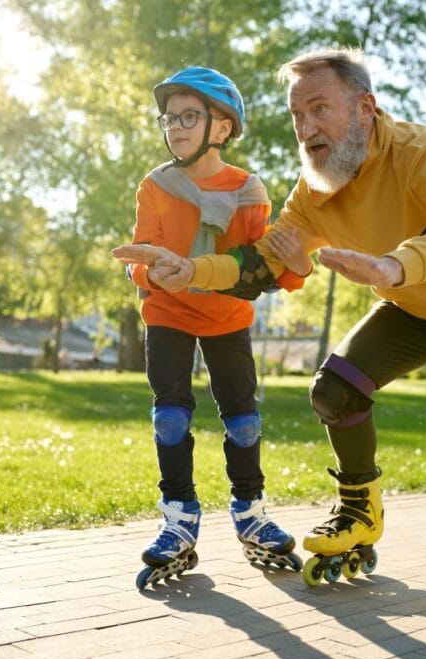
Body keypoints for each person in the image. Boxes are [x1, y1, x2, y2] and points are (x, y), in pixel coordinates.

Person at [113, 49, 426, 615]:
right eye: (297, 115)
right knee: (334, 389)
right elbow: (258, 263)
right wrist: (191, 270)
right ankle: (359, 511)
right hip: (415, 306)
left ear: (365, 108)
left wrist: (392, 267)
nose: (306, 128)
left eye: (320, 109)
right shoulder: (313, 191)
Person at [118, 66, 313, 581]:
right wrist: (147, 266)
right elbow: (142, 255)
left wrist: (293, 264)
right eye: (169, 118)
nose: (176, 127)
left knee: (244, 421)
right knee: (171, 417)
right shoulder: (156, 186)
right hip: (168, 314)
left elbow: (255, 268)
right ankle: (179, 519)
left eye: (189, 116)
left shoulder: (249, 192)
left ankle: (250, 513)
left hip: (226, 316)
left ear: (222, 128)